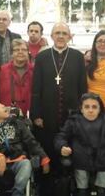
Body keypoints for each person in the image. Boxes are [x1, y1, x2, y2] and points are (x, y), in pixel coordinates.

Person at [30, 22, 87, 195]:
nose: (61, 36)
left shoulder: (77, 56)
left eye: (64, 33)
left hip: (71, 114)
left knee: (69, 150)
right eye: (57, 33)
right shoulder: (42, 57)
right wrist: (36, 114)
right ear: (52, 36)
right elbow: (36, 88)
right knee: (47, 148)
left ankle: (67, 186)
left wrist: (81, 113)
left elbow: (82, 87)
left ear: (69, 36)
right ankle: (46, 186)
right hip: (46, 114)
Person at [0, 99, 50, 196]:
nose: (3, 106)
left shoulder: (17, 123)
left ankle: (17, 193)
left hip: (17, 160)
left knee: (26, 164)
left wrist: (44, 157)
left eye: (1, 103)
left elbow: (31, 142)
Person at [0, 39, 33, 115]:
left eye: (24, 49)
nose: (20, 52)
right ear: (12, 53)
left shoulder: (35, 71)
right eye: (17, 49)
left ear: (28, 52)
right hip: (6, 115)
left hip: (29, 115)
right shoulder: (2, 70)